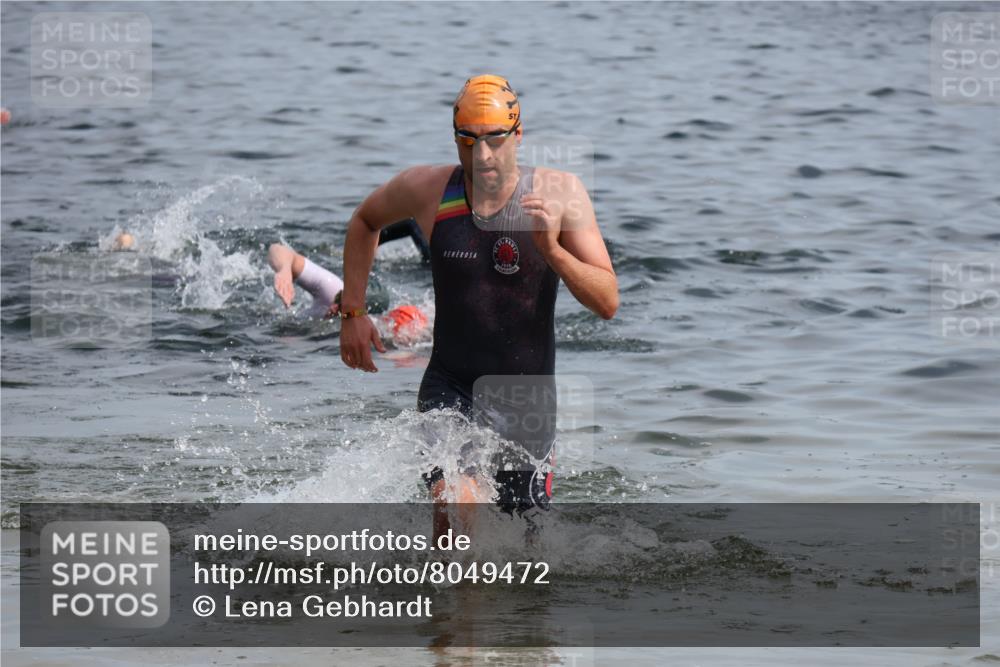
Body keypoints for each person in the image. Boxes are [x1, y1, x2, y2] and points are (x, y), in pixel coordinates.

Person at [337, 75, 618, 533]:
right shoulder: (428, 190)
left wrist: (553, 251)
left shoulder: (561, 194)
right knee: (458, 510)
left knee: (524, 557)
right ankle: (447, 604)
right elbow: (366, 220)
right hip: (451, 388)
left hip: (528, 402)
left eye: (494, 140)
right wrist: (353, 312)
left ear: (518, 134)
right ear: (455, 138)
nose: (482, 156)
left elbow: (607, 301)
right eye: (468, 142)